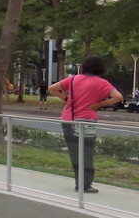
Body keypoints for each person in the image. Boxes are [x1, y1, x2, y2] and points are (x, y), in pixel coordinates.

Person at [48, 55, 123, 193]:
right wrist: (99, 105)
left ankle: (79, 182)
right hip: (87, 121)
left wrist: (66, 98)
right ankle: (85, 184)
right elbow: (118, 97)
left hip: (69, 119)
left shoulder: (73, 79)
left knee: (74, 153)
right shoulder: (102, 83)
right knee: (87, 153)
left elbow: (52, 88)